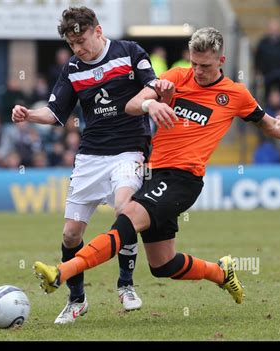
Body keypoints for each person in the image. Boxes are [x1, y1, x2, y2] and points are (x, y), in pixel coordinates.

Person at [33, 27, 280, 308]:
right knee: (162, 264)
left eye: (205, 65)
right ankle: (220, 272)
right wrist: (153, 102)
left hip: (183, 179)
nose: (197, 71)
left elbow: (274, 127)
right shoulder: (174, 78)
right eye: (193, 63)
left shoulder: (235, 95)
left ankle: (63, 272)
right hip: (152, 174)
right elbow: (130, 105)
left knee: (126, 217)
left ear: (221, 61)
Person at [12, 6, 172, 324]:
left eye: (82, 40)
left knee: (125, 210)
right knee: (71, 234)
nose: (78, 48)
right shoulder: (72, 68)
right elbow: (57, 112)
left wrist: (154, 100)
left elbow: (152, 86)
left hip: (129, 149)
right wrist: (29, 114)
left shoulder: (129, 52)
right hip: (90, 155)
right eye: (72, 44)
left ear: (97, 31)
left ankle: (125, 284)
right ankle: (76, 300)